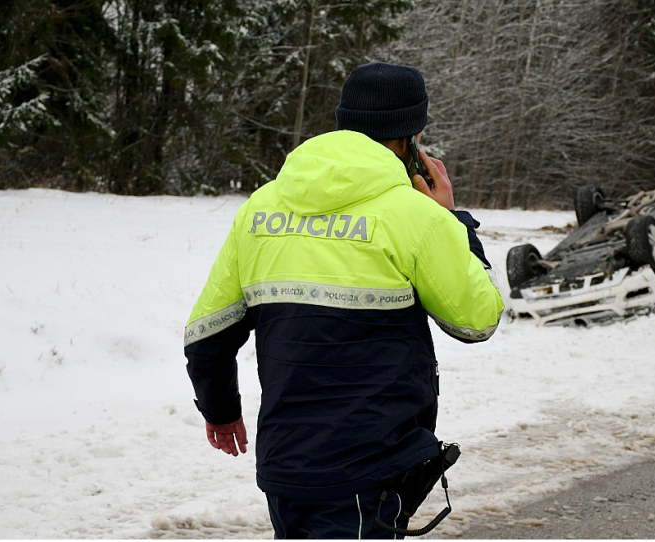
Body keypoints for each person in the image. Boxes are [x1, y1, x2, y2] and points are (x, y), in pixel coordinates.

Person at [184, 62, 504, 539]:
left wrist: (220, 409)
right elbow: (477, 319)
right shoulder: (417, 215)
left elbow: (206, 335)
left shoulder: (261, 207)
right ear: (411, 137)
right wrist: (453, 221)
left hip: (286, 466)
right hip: (369, 466)